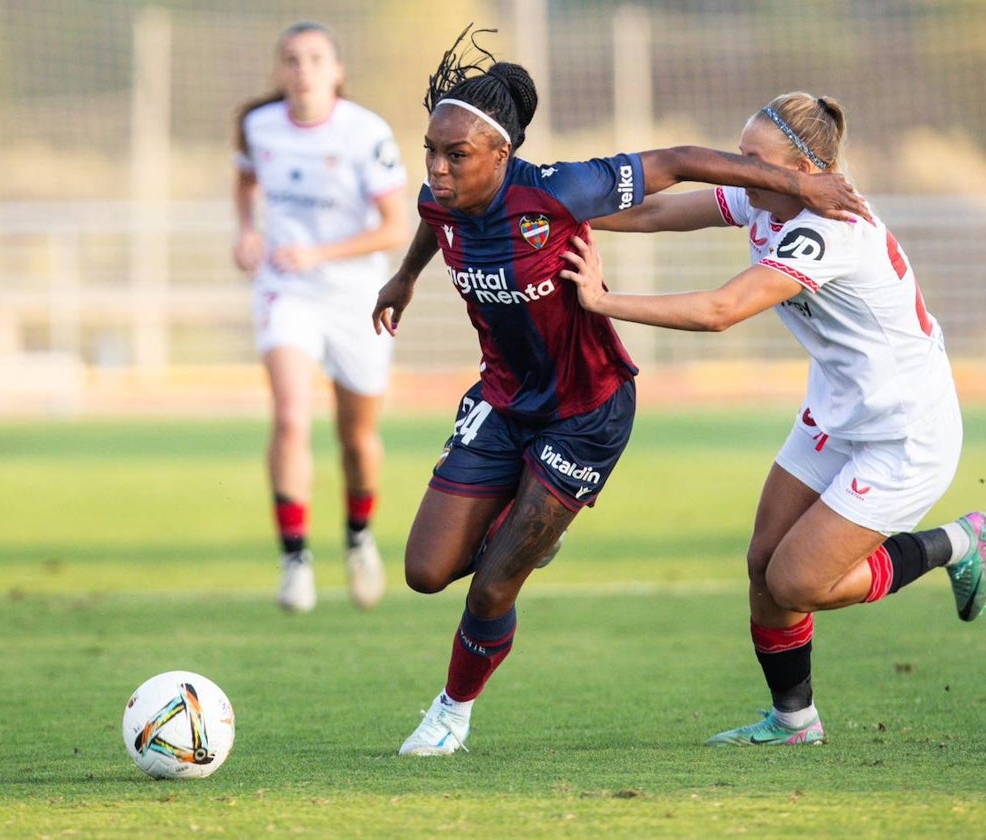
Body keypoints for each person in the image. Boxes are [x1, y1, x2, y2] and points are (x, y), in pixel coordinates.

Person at [371, 30, 869, 756]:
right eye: (431, 152)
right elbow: (429, 215)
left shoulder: (558, 191)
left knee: (490, 589)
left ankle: (450, 714)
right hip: (505, 401)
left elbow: (675, 162)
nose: (437, 171)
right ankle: (528, 532)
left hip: (585, 414)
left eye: (456, 156)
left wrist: (802, 185)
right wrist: (405, 277)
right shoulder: (439, 198)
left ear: (502, 157)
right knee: (424, 572)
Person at [560, 91, 986, 746]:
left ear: (803, 168)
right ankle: (795, 723)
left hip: (906, 430)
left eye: (754, 160)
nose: (742, 172)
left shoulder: (829, 232)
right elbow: (654, 211)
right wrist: (552, 212)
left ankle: (957, 543)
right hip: (837, 406)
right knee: (762, 561)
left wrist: (604, 301)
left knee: (796, 580)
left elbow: (720, 310)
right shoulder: (766, 197)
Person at [233, 21, 408, 613]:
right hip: (287, 290)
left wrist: (321, 252)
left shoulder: (366, 133)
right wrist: (247, 232)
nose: (302, 69)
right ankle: (295, 561)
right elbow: (245, 178)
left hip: (357, 295)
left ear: (336, 71)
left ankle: (358, 540)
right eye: (291, 59)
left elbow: (394, 227)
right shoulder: (259, 126)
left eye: (314, 58)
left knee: (356, 438)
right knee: (289, 415)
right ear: (279, 70)